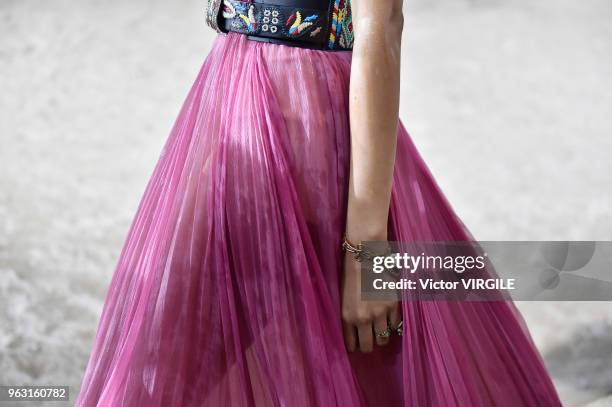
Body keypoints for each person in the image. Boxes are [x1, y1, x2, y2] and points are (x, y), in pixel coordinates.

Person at [77, 0, 563, 405]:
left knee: (162, 364)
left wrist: (367, 253)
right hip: (229, 94)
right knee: (165, 356)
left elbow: (380, 24)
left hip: (299, 116)